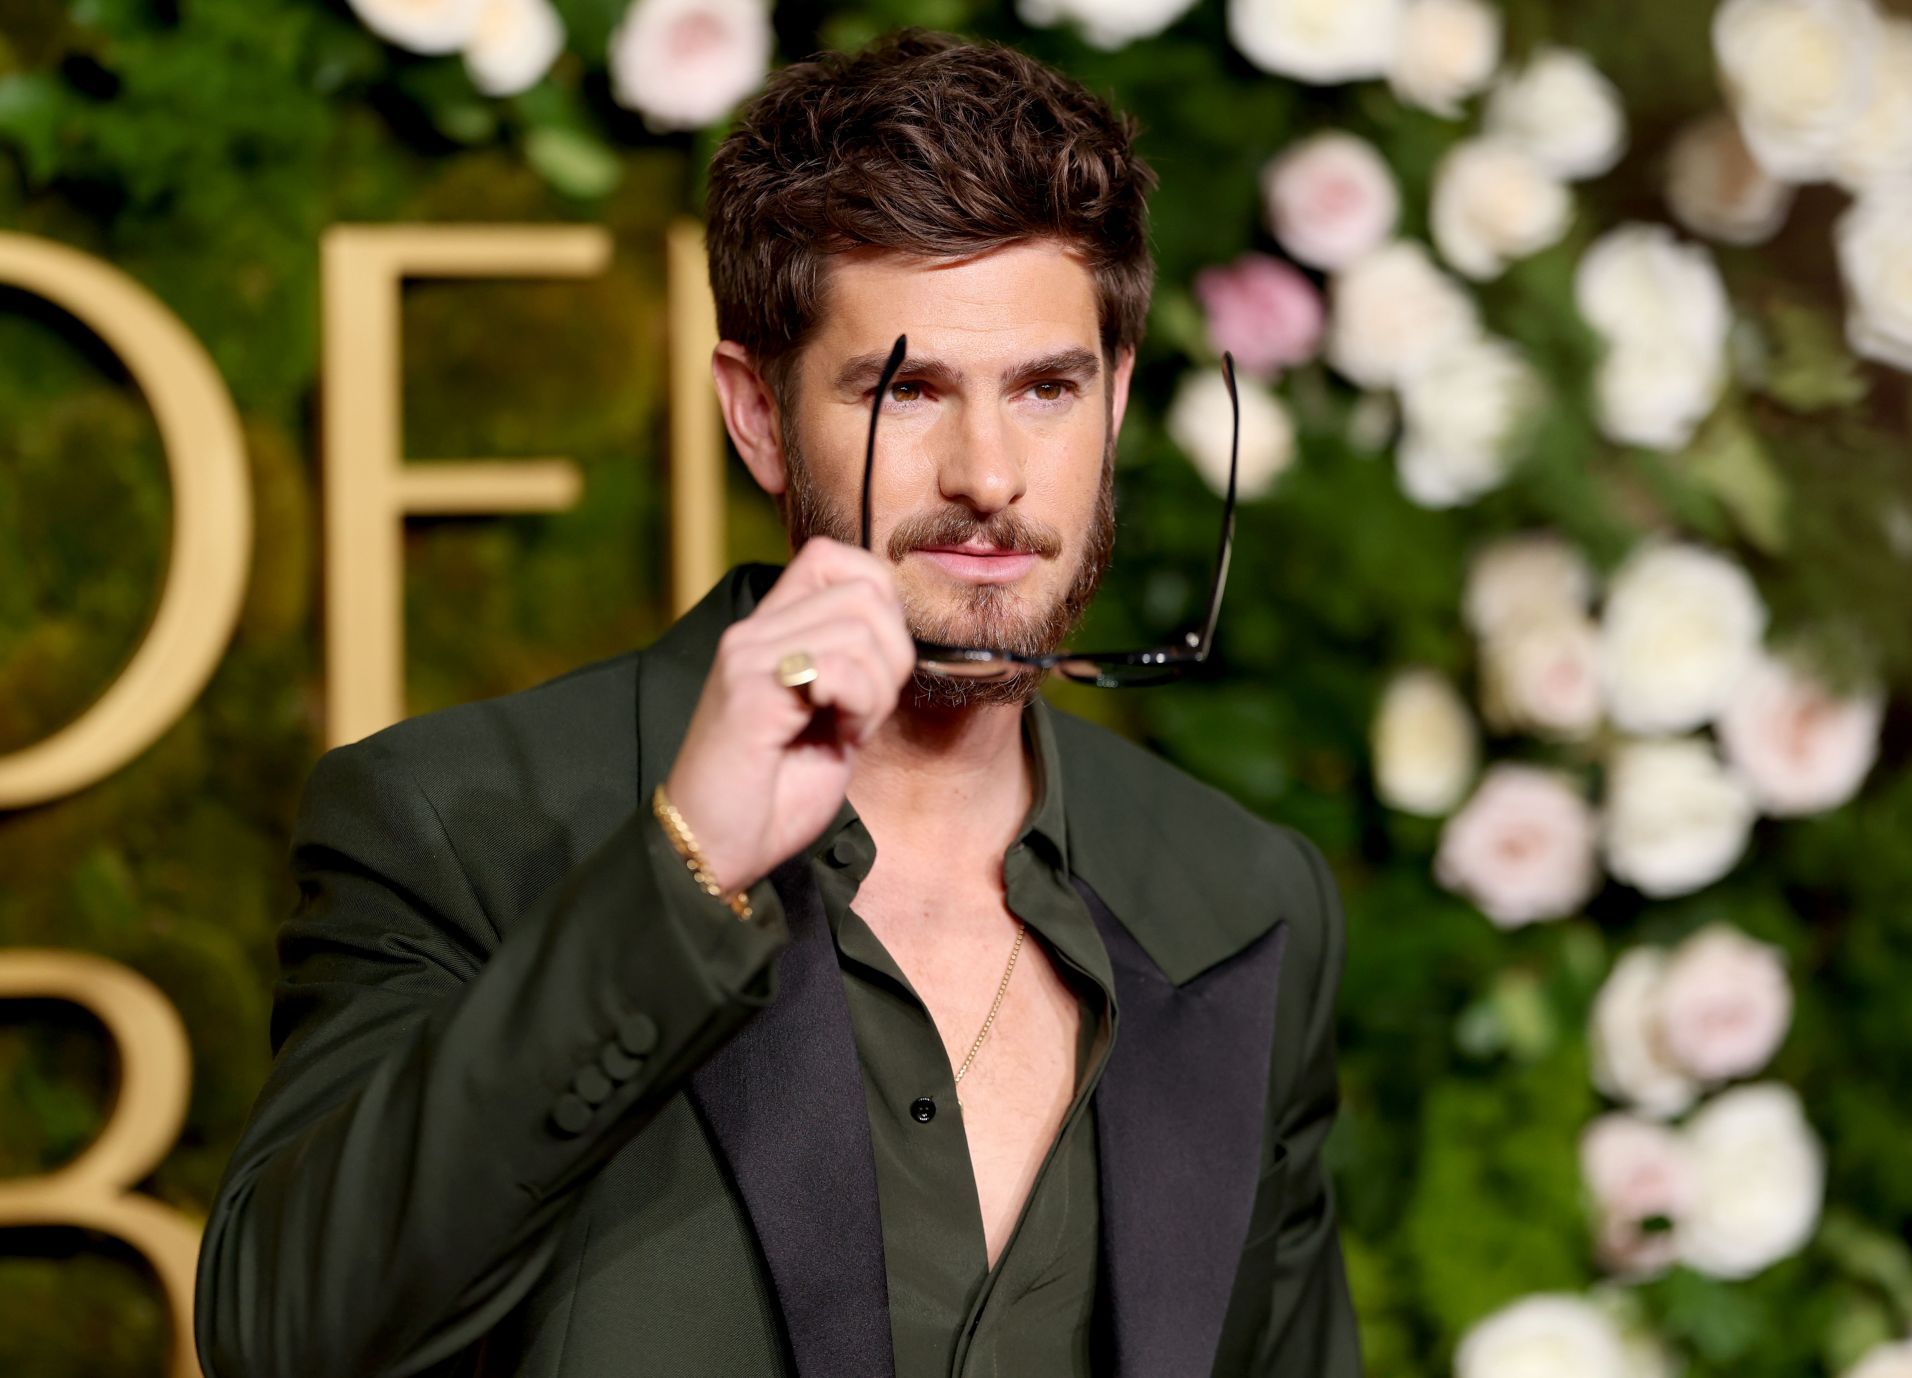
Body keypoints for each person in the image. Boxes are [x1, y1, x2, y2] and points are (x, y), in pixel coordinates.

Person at [194, 27, 1360, 1378]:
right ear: (756, 416)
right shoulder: (457, 821)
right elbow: (279, 1333)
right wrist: (683, 869)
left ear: (1114, 411)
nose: (990, 472)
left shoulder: (1245, 893)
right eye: (907, 391)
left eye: (1047, 388)